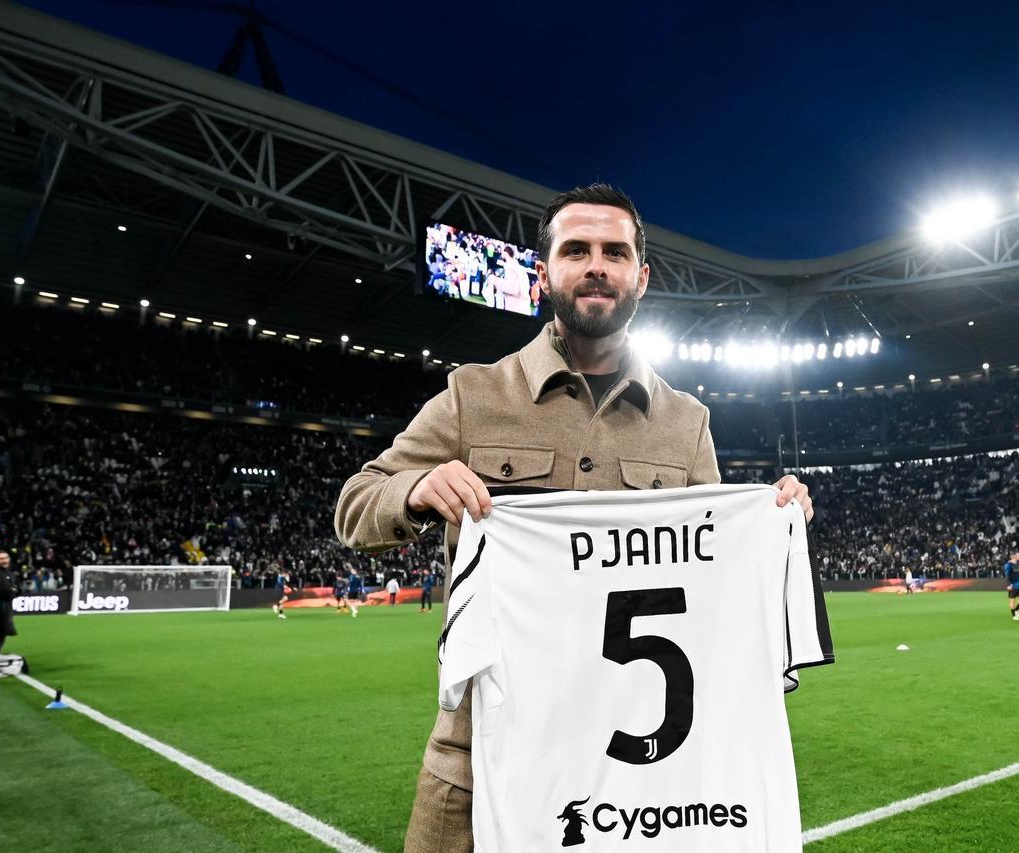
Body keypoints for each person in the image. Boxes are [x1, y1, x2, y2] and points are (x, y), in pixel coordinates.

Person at [333, 183, 814, 852]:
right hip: (478, 763)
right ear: (543, 274)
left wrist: (773, 523)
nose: (596, 266)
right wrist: (415, 488)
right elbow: (356, 504)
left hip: (640, 780)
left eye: (615, 253)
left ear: (641, 277)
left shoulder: (687, 423)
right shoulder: (473, 396)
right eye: (576, 250)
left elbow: (715, 589)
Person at [1004, 549, 1019, 621]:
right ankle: (1014, 616)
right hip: (1012, 585)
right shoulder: (1008, 565)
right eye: (1018, 555)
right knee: (1012, 601)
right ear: (1014, 556)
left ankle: (1016, 610)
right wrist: (1008, 584)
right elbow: (1007, 576)